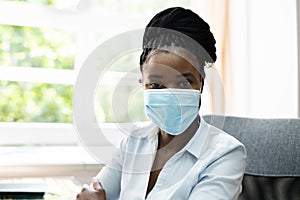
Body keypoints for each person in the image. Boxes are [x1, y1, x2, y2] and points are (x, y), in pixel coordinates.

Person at [76, 7, 246, 200]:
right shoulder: (133, 143)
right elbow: (98, 191)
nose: (170, 94)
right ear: (143, 84)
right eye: (156, 84)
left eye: (184, 82)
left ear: (201, 84)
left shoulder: (225, 154)